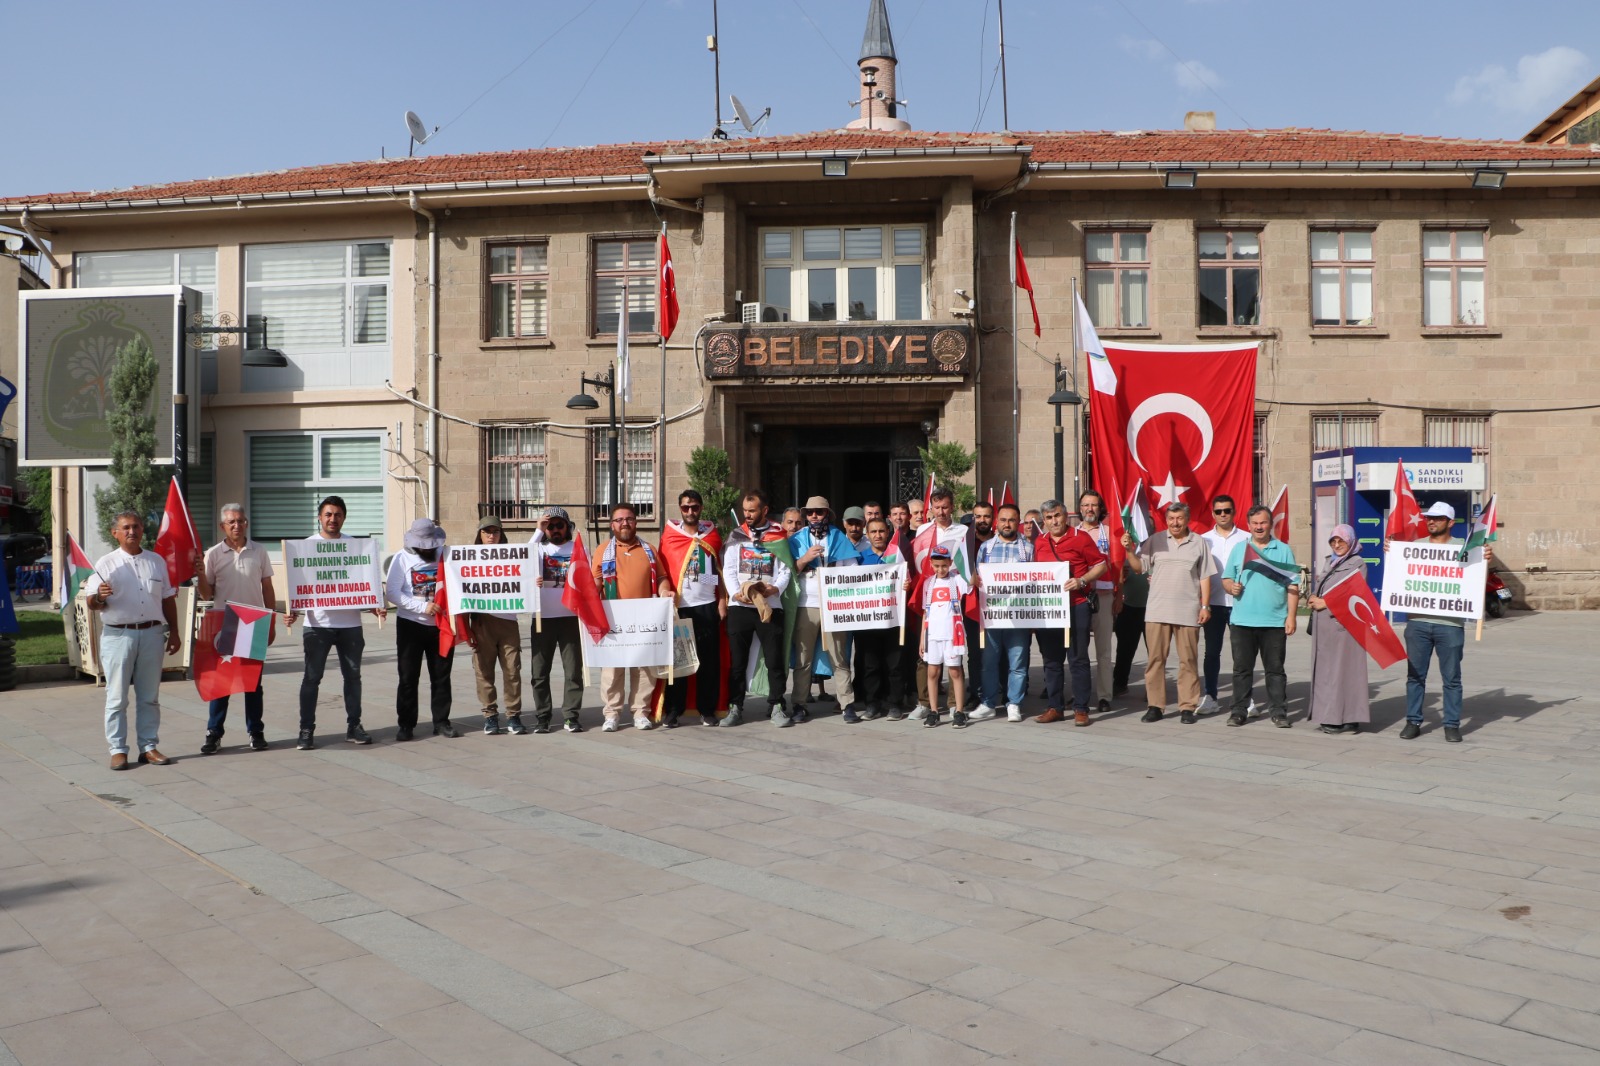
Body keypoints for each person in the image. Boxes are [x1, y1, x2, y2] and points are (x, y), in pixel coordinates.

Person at [86, 511, 181, 770]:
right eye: (126, 527)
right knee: (117, 697)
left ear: (142, 530)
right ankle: (118, 750)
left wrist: (174, 631)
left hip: (151, 633)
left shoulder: (156, 561)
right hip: (119, 635)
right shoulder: (106, 564)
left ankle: (148, 746)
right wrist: (101, 596)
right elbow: (92, 603)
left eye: (136, 526)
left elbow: (167, 598)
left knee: (149, 696)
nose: (132, 531)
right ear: (115, 533)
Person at [288, 496, 385, 749]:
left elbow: (366, 582)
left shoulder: (356, 547)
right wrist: (293, 611)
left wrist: (375, 604)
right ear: (319, 517)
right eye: (328, 514)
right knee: (311, 678)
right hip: (317, 625)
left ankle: (355, 726)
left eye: (338, 514)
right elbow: (299, 586)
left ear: (344, 517)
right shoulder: (306, 548)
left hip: (350, 625)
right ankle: (306, 730)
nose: (333, 519)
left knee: (353, 677)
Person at [1395, 502, 1490, 743]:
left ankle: (1451, 724)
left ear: (1451, 522)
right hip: (1418, 623)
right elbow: (1401, 572)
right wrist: (1392, 551)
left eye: (1437, 518)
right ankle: (1413, 721)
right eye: (1429, 518)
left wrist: (1484, 557)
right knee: (1415, 676)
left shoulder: (1465, 548)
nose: (1431, 521)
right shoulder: (1415, 547)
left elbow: (1475, 578)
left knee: (1452, 678)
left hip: (1450, 624)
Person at [194, 503, 275, 753]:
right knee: (222, 682)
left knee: (253, 683)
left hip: (253, 620)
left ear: (246, 523)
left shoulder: (259, 551)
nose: (237, 526)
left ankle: (256, 731)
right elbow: (207, 592)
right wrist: (199, 575)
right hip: (225, 622)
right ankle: (214, 733)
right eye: (232, 522)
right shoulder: (214, 554)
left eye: (241, 521)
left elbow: (267, 588)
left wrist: (271, 621)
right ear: (223, 526)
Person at [1122, 502, 1213, 724]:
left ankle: (1187, 707)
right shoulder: (1156, 541)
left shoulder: (1199, 543)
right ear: (1166, 520)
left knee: (1188, 661)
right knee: (1155, 660)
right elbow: (1137, 568)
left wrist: (1205, 605)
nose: (1175, 523)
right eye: (1171, 518)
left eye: (1179, 518)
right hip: (1157, 610)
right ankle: (1155, 706)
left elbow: (1205, 576)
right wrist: (1128, 549)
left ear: (1187, 519)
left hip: (1188, 610)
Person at [593, 502, 674, 731]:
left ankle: (641, 712)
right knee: (612, 669)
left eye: (628, 519)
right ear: (612, 525)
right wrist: (589, 598)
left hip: (644, 619)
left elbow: (660, 578)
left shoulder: (648, 549)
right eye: (619, 520)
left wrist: (665, 591)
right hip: (614, 619)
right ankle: (612, 713)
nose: (624, 523)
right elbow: (596, 582)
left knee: (645, 669)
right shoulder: (603, 550)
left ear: (636, 522)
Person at [1220, 505, 1299, 728]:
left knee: (1275, 670)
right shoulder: (1239, 549)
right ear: (1248, 526)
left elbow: (1293, 586)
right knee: (1241, 670)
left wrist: (1291, 617)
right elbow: (1226, 578)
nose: (1259, 527)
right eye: (1254, 523)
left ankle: (1279, 712)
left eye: (1263, 522)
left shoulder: (1283, 550)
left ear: (1270, 524)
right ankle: (1238, 711)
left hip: (1274, 622)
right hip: (1242, 621)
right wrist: (1230, 587)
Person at [1032, 499, 1108, 726]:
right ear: (1043, 521)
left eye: (1057, 516)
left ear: (1065, 516)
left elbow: (1101, 565)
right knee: (1051, 660)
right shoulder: (1040, 541)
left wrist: (1081, 580)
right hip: (1050, 609)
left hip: (1077, 606)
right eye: (1048, 518)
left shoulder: (1081, 538)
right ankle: (1055, 707)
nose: (1054, 521)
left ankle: (1081, 709)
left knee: (1078, 658)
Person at [722, 490, 793, 726]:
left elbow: (784, 570)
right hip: (740, 606)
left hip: (769, 605)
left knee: (774, 659)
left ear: (764, 510)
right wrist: (735, 593)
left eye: (752, 510)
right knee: (737, 661)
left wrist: (776, 588)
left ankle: (776, 705)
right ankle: (735, 706)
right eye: (745, 510)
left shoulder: (777, 535)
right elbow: (729, 569)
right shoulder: (737, 535)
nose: (747, 515)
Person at [789, 496, 861, 720]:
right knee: (803, 658)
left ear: (827, 514)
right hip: (806, 604)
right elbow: (787, 573)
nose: (814, 516)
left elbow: (853, 570)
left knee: (839, 656)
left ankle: (846, 703)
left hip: (833, 604)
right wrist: (804, 559)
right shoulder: (797, 540)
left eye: (819, 512)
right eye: (810, 512)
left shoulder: (839, 537)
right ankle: (799, 704)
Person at [386, 519, 458, 741]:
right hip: (410, 625)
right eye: (422, 545)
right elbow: (392, 593)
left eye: (430, 544)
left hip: (441, 625)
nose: (427, 549)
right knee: (408, 676)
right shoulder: (401, 558)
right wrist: (422, 606)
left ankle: (441, 721)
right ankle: (406, 724)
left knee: (441, 676)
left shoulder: (446, 554)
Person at [910, 488, 977, 721]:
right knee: (930, 666)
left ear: (952, 506)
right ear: (931, 508)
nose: (941, 511)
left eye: (945, 507)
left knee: (955, 667)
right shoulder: (923, 530)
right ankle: (928, 706)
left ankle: (955, 707)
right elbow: (919, 559)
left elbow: (967, 565)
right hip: (931, 596)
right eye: (937, 507)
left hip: (954, 595)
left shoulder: (962, 531)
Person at [661, 490, 725, 728]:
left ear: (701, 508)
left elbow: (715, 573)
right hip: (680, 607)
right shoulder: (670, 537)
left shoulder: (712, 536)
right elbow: (664, 571)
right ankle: (673, 710)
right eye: (686, 507)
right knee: (678, 662)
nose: (690, 511)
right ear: (680, 508)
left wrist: (720, 600)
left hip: (706, 607)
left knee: (708, 663)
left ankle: (706, 709)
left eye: (695, 507)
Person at [1306, 524, 1370, 734]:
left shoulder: (1357, 563)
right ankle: (1343, 716)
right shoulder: (1330, 561)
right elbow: (1324, 587)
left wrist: (1326, 604)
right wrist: (1313, 597)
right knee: (1330, 672)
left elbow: (1354, 594)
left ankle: (1336, 718)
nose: (1337, 545)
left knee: (1343, 673)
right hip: (1326, 628)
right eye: (1333, 541)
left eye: (1341, 541)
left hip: (1343, 627)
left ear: (1350, 541)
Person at [467, 516, 525, 736]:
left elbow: (526, 572)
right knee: (483, 670)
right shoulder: (469, 559)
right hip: (482, 621)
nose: (491, 536)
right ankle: (490, 715)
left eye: (495, 532)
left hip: (508, 621)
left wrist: (533, 581)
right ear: (479, 535)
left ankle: (513, 715)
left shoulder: (514, 557)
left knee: (512, 670)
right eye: (486, 532)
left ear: (501, 535)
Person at [975, 502, 1032, 722]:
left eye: (1011, 520)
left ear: (1018, 523)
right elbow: (977, 578)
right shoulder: (986, 548)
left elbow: (1037, 580)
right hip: (991, 616)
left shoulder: (1028, 548)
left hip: (1018, 617)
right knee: (989, 661)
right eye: (1003, 520)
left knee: (1017, 662)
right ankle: (988, 702)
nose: (1007, 524)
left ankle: (1014, 704)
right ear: (997, 522)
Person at [530, 507, 584, 733]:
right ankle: (543, 716)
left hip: (570, 617)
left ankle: (571, 716)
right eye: (549, 526)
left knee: (573, 672)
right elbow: (521, 558)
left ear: (567, 527)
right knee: (539, 672)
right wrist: (537, 531)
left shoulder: (578, 549)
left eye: (558, 525)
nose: (554, 529)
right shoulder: (538, 549)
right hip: (543, 617)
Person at [1199, 495, 1249, 715]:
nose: (1222, 515)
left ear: (1234, 511)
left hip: (1241, 603)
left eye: (1226, 511)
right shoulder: (1203, 540)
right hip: (1214, 603)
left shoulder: (1247, 538)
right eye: (1218, 511)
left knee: (1242, 654)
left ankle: (1244, 699)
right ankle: (1210, 695)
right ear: (1212, 513)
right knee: (1211, 653)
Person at [853, 517, 904, 720]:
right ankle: (872, 704)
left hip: (893, 619)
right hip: (868, 620)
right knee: (870, 665)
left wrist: (906, 583)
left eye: (881, 531)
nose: (878, 535)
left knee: (895, 665)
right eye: (873, 532)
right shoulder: (859, 558)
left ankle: (895, 704)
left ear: (888, 532)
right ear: (868, 534)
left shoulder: (897, 558)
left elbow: (907, 579)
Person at [1076, 491, 1118, 714]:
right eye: (1085, 505)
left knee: (1103, 650)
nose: (1089, 509)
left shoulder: (1109, 533)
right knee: (1078, 650)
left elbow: (1120, 566)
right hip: (1078, 597)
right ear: (1080, 508)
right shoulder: (1072, 533)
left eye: (1094, 505)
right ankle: (1078, 694)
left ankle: (1104, 696)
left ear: (1100, 509)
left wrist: (1118, 595)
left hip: (1103, 595)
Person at [920, 545, 970, 728]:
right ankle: (933, 711)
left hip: (952, 635)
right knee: (933, 672)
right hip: (932, 635)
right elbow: (926, 612)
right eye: (936, 566)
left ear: (950, 563)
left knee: (955, 671)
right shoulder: (928, 583)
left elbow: (971, 581)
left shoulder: (957, 580)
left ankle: (959, 711)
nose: (940, 570)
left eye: (943, 565)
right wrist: (922, 638)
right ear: (931, 565)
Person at [1112, 561, 1148, 696]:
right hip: (1128, 606)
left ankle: (1153, 688)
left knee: (1155, 651)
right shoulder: (1124, 551)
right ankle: (1120, 683)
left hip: (1153, 607)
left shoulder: (1158, 547)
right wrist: (1120, 578)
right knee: (1124, 650)